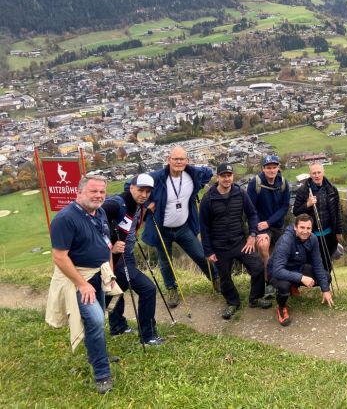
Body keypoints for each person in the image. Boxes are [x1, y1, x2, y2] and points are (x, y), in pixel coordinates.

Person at [45, 175, 117, 394]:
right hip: (81, 278)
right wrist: (82, 284)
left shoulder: (100, 212)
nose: (98, 196)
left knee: (99, 316)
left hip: (99, 274)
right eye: (93, 191)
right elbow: (59, 257)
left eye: (102, 192)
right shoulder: (65, 219)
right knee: (95, 321)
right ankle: (102, 373)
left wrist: (110, 273)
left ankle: (98, 353)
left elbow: (107, 244)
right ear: (79, 192)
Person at [141, 145, 219, 308]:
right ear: (168, 160)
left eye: (182, 159)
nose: (178, 162)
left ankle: (216, 280)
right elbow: (131, 185)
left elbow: (209, 172)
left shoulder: (193, 175)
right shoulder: (156, 177)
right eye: (175, 159)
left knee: (199, 255)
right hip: (162, 229)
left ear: (187, 161)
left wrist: (196, 183)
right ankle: (171, 289)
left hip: (184, 227)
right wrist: (147, 203)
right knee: (165, 261)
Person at [200, 163, 272, 319]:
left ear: (233, 176)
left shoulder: (240, 193)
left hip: (240, 242)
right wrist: (208, 251)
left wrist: (252, 235)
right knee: (225, 277)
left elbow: (252, 214)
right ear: (217, 177)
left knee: (258, 267)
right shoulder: (208, 199)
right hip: (220, 246)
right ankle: (233, 302)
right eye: (223, 176)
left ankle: (255, 298)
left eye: (229, 175)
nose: (227, 179)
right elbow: (204, 227)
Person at [102, 173, 164, 346]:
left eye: (147, 191)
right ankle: (148, 336)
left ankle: (117, 326)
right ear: (131, 187)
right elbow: (95, 221)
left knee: (119, 288)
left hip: (124, 255)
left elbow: (128, 224)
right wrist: (110, 245)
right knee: (148, 289)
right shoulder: (116, 203)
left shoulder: (137, 205)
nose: (144, 195)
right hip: (114, 259)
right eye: (140, 190)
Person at [269, 214, 334, 326]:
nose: (305, 231)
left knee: (326, 277)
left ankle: (294, 286)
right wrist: (301, 278)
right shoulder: (286, 240)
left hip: (297, 268)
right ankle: (281, 307)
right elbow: (277, 270)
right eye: (302, 227)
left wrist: (325, 289)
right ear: (295, 227)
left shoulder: (313, 239)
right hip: (278, 272)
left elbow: (318, 265)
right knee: (284, 287)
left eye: (308, 228)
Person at [247, 154, 290, 299]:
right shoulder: (255, 183)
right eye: (268, 168)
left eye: (274, 167)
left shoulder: (283, 183)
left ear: (278, 168)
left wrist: (269, 222)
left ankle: (285, 280)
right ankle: (268, 280)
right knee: (264, 246)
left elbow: (285, 207)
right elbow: (250, 209)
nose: (272, 171)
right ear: (263, 169)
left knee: (284, 251)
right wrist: (260, 228)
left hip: (276, 224)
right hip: (261, 224)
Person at [292, 162, 342, 275]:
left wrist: (338, 231)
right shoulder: (303, 190)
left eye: (319, 172)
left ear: (323, 172)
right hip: (311, 235)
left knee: (327, 262)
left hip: (329, 234)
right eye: (314, 173)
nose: (317, 175)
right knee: (313, 263)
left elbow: (337, 212)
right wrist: (308, 204)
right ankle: (315, 283)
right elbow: (296, 212)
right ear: (310, 174)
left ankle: (326, 288)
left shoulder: (332, 189)